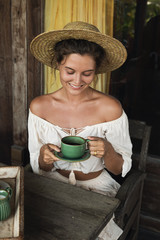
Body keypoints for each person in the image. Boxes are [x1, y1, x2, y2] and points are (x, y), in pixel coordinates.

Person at [28, 21, 132, 240]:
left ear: (96, 72)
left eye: (87, 73)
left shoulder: (110, 108)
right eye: (70, 71)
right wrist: (44, 157)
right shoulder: (39, 107)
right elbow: (40, 166)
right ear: (58, 64)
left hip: (97, 190)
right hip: (52, 185)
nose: (77, 81)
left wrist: (108, 151)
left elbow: (119, 168)